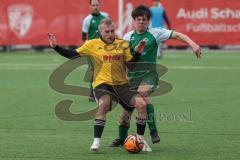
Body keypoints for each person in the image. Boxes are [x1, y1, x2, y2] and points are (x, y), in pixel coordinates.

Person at [47, 18, 150, 152]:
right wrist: (56, 47)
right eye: (106, 32)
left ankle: (140, 141)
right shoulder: (92, 44)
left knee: (142, 104)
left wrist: (137, 52)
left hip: (121, 85)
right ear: (100, 32)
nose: (110, 34)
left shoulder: (122, 44)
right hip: (102, 84)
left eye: (112, 31)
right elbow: (73, 54)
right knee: (104, 104)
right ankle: (96, 141)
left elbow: (131, 66)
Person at [109, 5, 201, 151]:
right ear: (134, 21)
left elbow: (177, 35)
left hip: (149, 75)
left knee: (143, 93)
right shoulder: (127, 37)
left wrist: (193, 44)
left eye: (144, 20)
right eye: (138, 20)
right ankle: (121, 139)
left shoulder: (156, 33)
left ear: (148, 21)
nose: (141, 22)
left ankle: (152, 131)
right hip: (131, 78)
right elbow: (124, 59)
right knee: (126, 113)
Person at [82, 0, 108, 102]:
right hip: (92, 50)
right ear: (90, 6)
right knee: (94, 71)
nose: (95, 7)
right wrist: (87, 44)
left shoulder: (105, 17)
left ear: (99, 5)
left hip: (104, 49)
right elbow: (84, 35)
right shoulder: (87, 20)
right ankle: (92, 93)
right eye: (93, 5)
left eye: (97, 5)